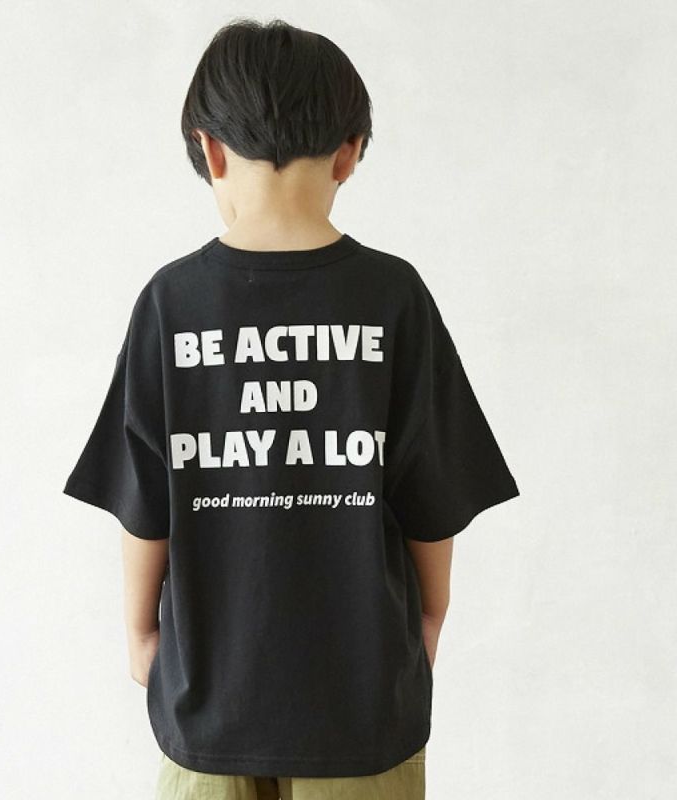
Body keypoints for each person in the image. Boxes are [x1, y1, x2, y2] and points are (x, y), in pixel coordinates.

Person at [62, 16, 520, 800]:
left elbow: (145, 494)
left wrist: (139, 631)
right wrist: (430, 619)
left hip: (209, 703)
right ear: (350, 153)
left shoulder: (172, 302)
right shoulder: (393, 297)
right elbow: (431, 488)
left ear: (209, 151)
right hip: (362, 708)